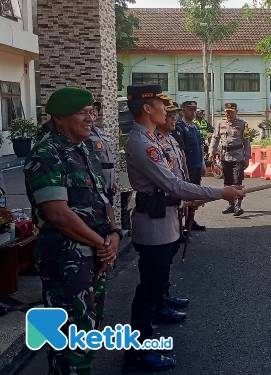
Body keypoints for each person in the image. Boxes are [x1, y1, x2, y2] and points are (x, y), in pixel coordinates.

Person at [123, 84, 245, 373]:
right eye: (161, 105)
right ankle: (137, 354)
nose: (167, 110)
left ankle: (144, 342)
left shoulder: (152, 138)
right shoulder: (143, 143)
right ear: (147, 108)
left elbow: (172, 186)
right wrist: (221, 193)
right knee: (148, 291)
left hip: (164, 221)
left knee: (154, 286)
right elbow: (173, 185)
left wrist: (190, 200)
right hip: (153, 227)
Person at [24, 86, 121, 374]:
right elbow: (59, 215)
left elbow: (105, 197)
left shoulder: (86, 149)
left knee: (89, 330)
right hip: (67, 261)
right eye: (82, 113)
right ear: (59, 118)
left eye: (91, 112)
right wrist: (102, 244)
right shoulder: (47, 153)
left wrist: (114, 234)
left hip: (93, 256)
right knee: (70, 340)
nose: (90, 118)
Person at [154, 98, 195, 313]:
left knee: (171, 251)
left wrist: (187, 194)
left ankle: (165, 294)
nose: (173, 119)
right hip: (165, 203)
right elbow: (168, 179)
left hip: (178, 200)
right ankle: (159, 301)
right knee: (162, 257)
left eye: (174, 116)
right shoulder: (155, 142)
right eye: (170, 116)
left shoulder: (171, 139)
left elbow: (181, 168)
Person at [208, 103, 251, 216]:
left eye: (231, 112)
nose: (229, 114)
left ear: (236, 112)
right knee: (227, 182)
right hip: (224, 156)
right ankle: (231, 204)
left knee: (237, 181)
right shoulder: (220, 123)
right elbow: (215, 138)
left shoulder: (242, 124)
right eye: (227, 112)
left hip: (238, 156)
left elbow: (246, 142)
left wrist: (247, 158)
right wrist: (211, 151)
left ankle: (238, 205)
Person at [172, 101, 206, 231]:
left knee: (195, 195)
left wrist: (202, 164)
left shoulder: (195, 126)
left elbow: (200, 147)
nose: (193, 112)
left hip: (196, 164)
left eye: (194, 110)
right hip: (188, 167)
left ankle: (191, 221)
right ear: (183, 110)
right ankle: (180, 225)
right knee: (185, 195)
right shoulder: (179, 127)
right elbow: (181, 151)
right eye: (190, 110)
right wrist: (184, 170)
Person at [87, 100, 118, 205]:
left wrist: (112, 180)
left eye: (96, 109)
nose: (95, 112)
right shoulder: (84, 134)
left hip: (107, 185)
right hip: (95, 186)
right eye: (92, 110)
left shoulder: (99, 132)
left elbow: (107, 159)